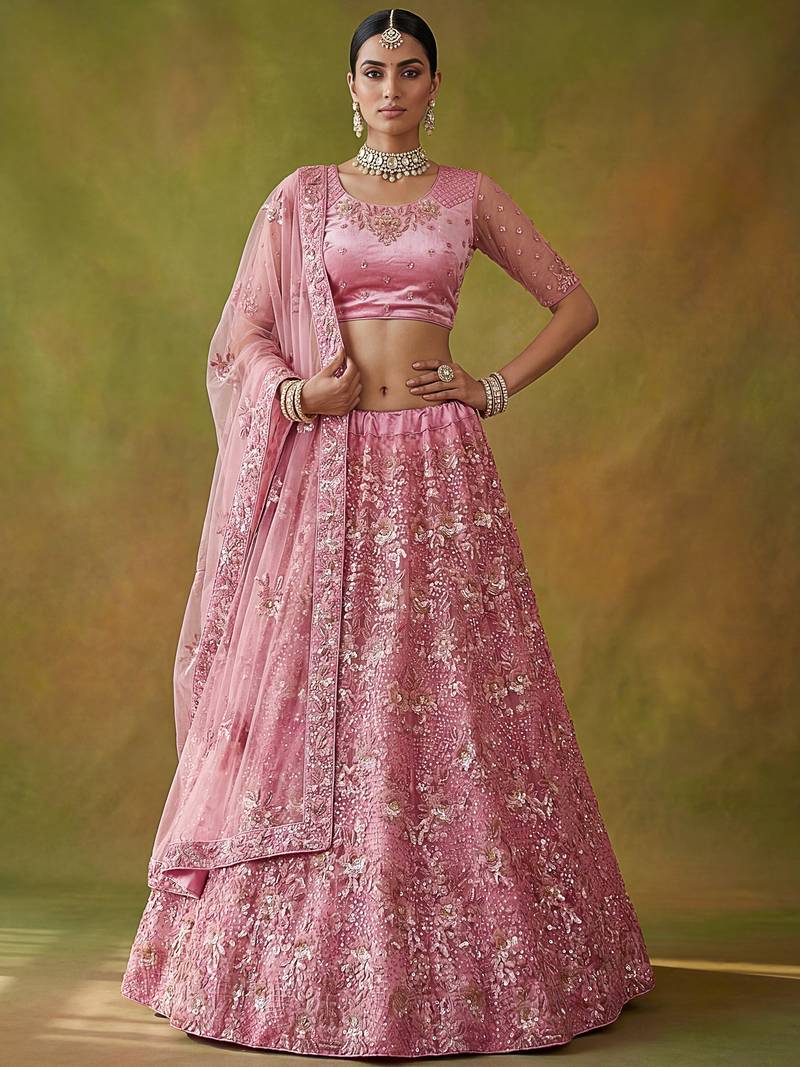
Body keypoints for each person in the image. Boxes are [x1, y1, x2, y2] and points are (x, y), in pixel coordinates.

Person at [121, 7, 655, 1057]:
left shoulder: (469, 195)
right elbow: (243, 335)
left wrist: (488, 387)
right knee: (322, 687)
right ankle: (301, 956)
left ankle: (486, 958)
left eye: (411, 71)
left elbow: (574, 304)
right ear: (350, 86)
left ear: (435, 85)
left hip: (439, 464)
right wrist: (297, 398)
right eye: (374, 71)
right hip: (330, 462)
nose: (392, 88)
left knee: (445, 686)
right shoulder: (302, 197)